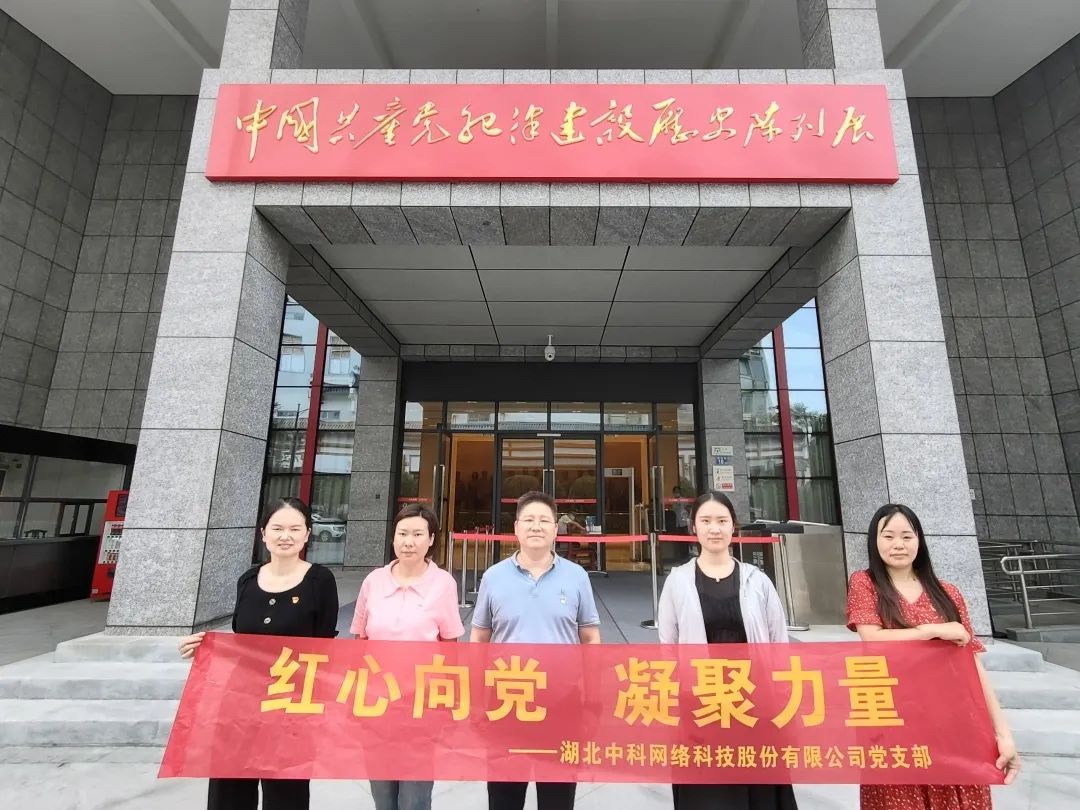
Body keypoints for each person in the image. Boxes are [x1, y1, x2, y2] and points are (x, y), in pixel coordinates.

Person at [847, 503, 1021, 810]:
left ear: (919, 540)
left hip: (952, 722)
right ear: (874, 541)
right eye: (888, 536)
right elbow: (873, 638)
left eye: (906, 536)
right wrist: (931, 631)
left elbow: (972, 665)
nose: (898, 544)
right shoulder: (865, 583)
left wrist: (1003, 733)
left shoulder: (948, 593)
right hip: (893, 722)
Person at [177, 497, 339, 810]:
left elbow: (324, 650)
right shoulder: (248, 580)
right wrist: (207, 648)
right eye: (277, 528)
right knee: (229, 792)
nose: (285, 536)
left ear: (308, 534)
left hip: (290, 708)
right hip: (239, 705)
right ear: (263, 533)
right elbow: (242, 641)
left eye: (295, 529)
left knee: (285, 796)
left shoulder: (320, 581)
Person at [657, 490, 797, 810]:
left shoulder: (757, 581)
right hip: (701, 706)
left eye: (722, 521)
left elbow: (779, 645)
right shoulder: (678, 582)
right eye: (706, 521)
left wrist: (783, 700)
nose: (714, 529)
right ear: (694, 527)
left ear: (733, 526)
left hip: (753, 704)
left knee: (759, 791)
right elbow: (668, 650)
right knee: (708, 794)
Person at [471, 490, 601, 810]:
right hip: (507, 702)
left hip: (562, 704)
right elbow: (479, 639)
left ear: (556, 529)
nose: (536, 526)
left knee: (557, 797)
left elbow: (590, 638)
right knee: (504, 798)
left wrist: (593, 696)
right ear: (516, 527)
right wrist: (476, 697)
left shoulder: (577, 577)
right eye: (528, 519)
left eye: (544, 520)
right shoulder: (493, 577)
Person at [351, 503, 464, 810]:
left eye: (417, 534)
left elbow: (449, 649)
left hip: (421, 707)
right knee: (382, 794)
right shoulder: (373, 581)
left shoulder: (443, 584)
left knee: (414, 797)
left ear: (431, 539)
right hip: (376, 705)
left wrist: (448, 704)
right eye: (402, 534)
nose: (408, 542)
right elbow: (359, 640)